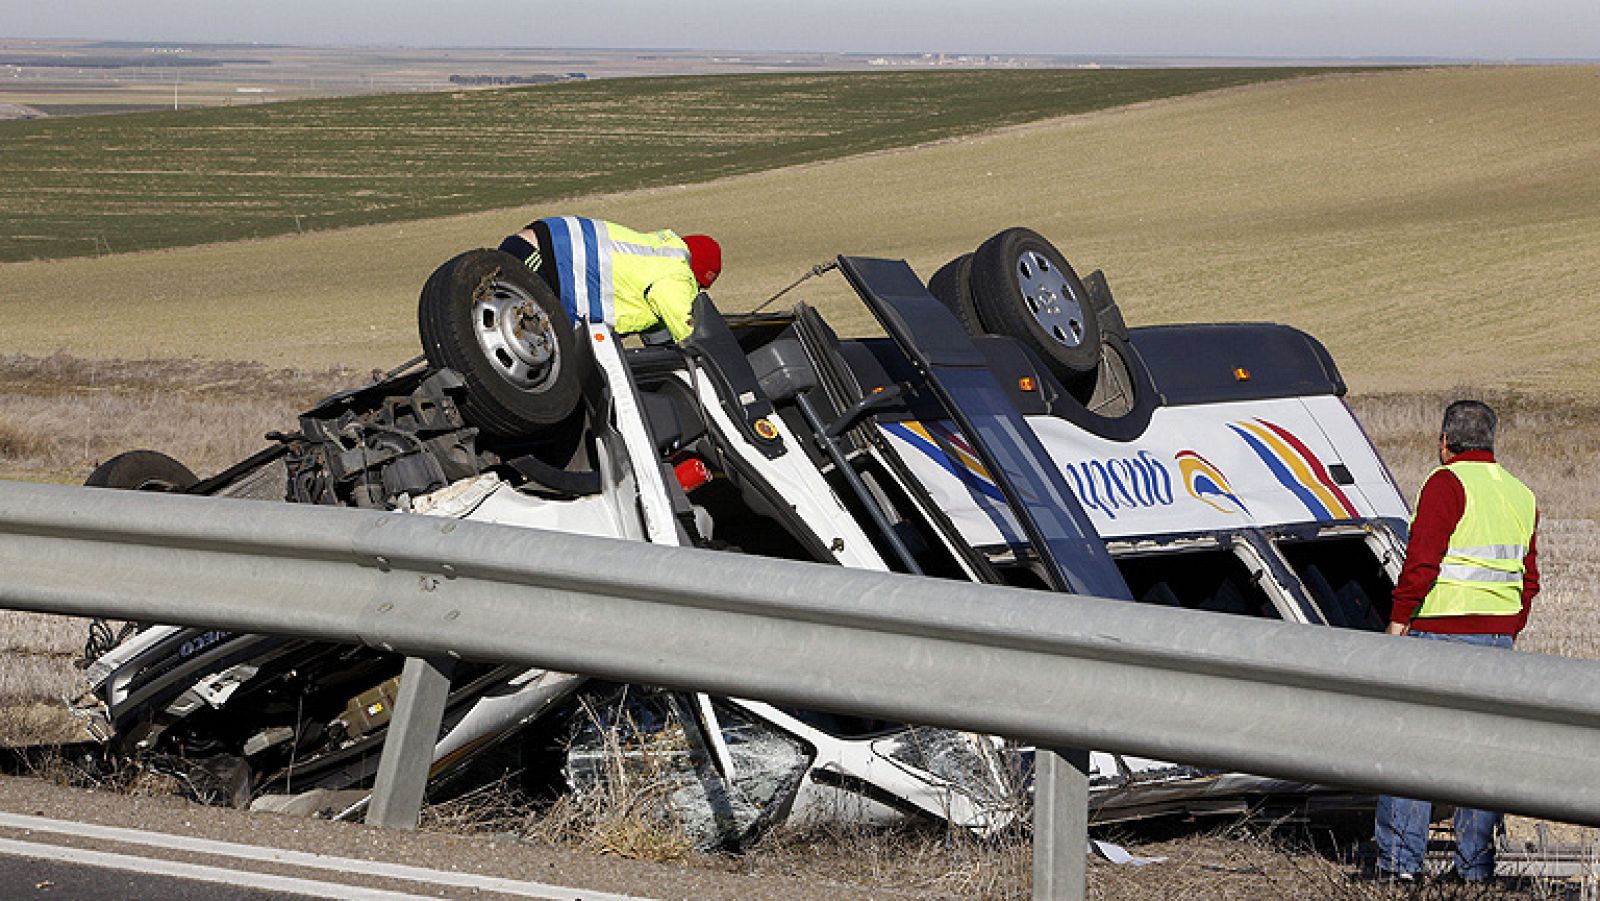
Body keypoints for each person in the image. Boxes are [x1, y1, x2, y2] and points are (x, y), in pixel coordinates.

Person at [1373, 399, 1539, 884]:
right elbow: (1529, 579)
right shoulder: (1519, 493)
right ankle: (1473, 871)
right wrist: (1507, 626)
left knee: (1413, 751)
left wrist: (1399, 621)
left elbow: (1421, 563)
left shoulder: (1445, 483)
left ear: (1445, 442)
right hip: (1496, 640)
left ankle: (1400, 870)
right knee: (1479, 756)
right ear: (1490, 441)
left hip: (1438, 634)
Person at [498, 217, 721, 342]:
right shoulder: (675, 271)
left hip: (538, 247)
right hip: (545, 259)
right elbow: (690, 334)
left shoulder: (653, 256)